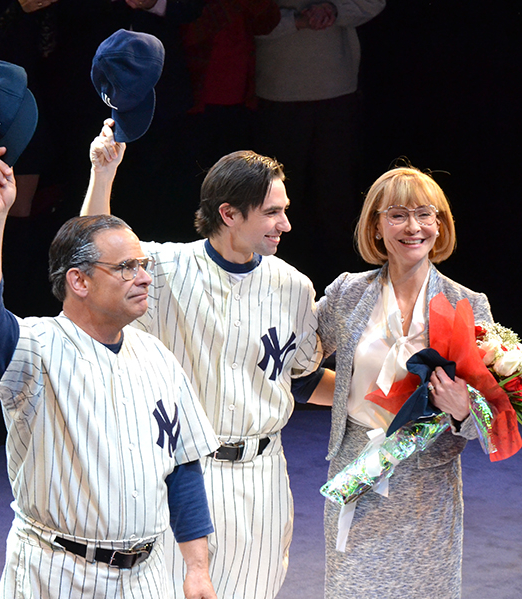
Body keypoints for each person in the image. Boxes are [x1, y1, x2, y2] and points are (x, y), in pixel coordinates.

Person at [81, 120, 333, 599]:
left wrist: (389, 399)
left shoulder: (294, 286)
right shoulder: (167, 269)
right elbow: (94, 253)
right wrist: (104, 173)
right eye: (272, 212)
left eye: (285, 210)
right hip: (184, 472)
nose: (286, 224)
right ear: (229, 214)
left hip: (264, 476)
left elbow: (300, 379)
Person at [0, 146, 221, 599]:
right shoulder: (36, 348)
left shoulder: (158, 356)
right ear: (79, 281)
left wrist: (197, 569)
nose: (143, 277)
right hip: (57, 573)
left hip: (146, 576)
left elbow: (183, 469)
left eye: (143, 265)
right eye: (126, 267)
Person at [316, 166, 493, 598]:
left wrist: (463, 409)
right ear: (376, 226)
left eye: (424, 214)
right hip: (356, 474)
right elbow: (297, 360)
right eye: (397, 215)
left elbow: (493, 425)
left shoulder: (467, 304)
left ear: (440, 225)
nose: (413, 227)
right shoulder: (347, 292)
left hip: (427, 489)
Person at [254, 0, 386, 291]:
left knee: (336, 199)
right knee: (278, 200)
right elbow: (245, 19)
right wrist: (297, 20)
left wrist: (335, 9)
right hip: (278, 90)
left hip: (338, 91)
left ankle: (348, 291)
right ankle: (273, 286)